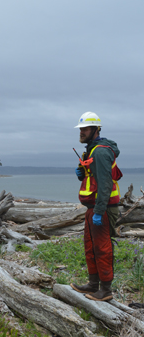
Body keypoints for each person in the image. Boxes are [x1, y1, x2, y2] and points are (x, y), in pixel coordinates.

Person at [70, 111, 123, 301]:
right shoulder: (91, 150)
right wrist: (82, 173)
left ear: (95, 130)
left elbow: (105, 184)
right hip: (93, 208)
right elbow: (94, 178)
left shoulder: (100, 151)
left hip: (103, 209)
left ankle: (105, 290)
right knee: (90, 246)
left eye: (85, 129)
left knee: (102, 248)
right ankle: (93, 284)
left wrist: (99, 212)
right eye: (81, 129)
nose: (81, 132)